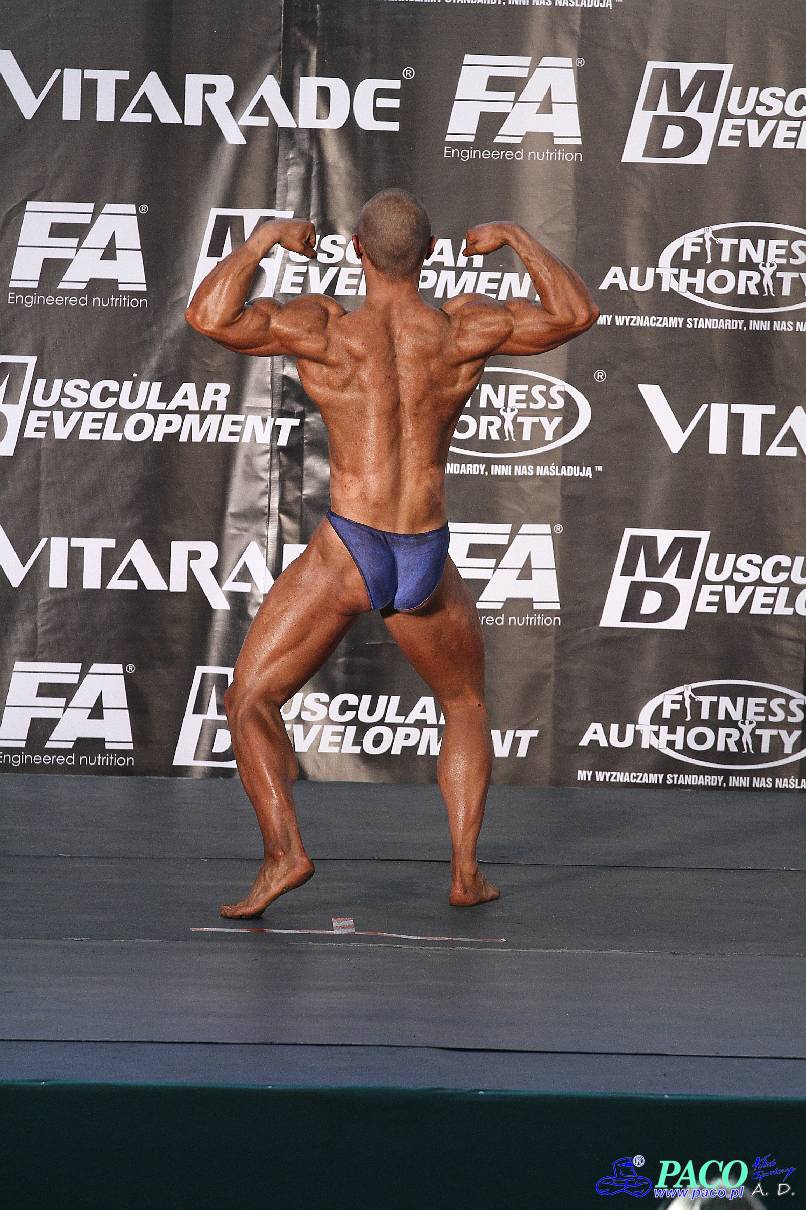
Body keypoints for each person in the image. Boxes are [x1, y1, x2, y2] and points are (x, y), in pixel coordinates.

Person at [184, 187, 599, 918]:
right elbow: (574, 314)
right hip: (424, 550)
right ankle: (465, 872)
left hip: (351, 546)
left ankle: (285, 854)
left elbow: (208, 317)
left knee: (250, 699)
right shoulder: (464, 328)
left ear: (357, 253)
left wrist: (263, 241)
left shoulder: (325, 329)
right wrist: (515, 236)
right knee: (463, 703)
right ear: (431, 254)